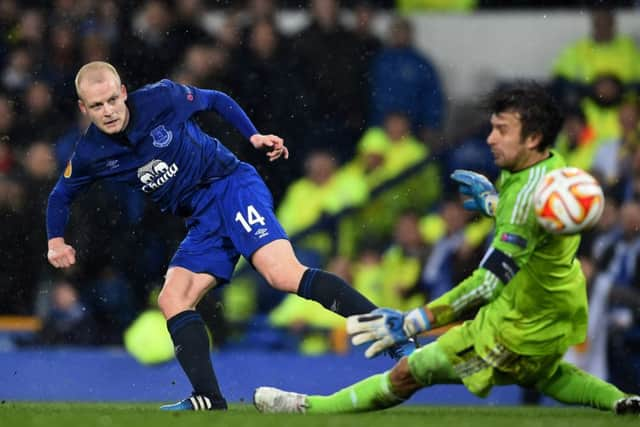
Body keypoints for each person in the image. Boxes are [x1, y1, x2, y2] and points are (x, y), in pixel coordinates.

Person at [253, 82, 640, 416]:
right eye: (491, 128)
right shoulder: (549, 169)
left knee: (410, 371)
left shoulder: (527, 195)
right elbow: (532, 225)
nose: (489, 138)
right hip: (556, 313)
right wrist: (492, 204)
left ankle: (311, 409)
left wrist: (414, 321)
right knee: (545, 373)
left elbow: (487, 284)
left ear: (533, 137)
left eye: (501, 130)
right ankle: (620, 402)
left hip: (515, 325)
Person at [45, 61, 404, 411]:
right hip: (201, 218)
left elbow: (215, 99)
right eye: (96, 105)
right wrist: (55, 241)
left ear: (123, 92)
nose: (108, 111)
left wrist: (254, 136)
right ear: (83, 108)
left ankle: (391, 331)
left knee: (281, 274)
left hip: (231, 185)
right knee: (172, 298)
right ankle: (209, 399)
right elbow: (60, 195)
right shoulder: (92, 152)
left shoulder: (161, 98)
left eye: (111, 100)